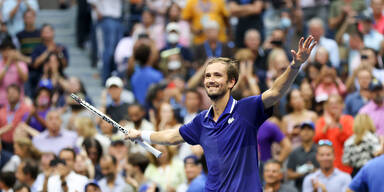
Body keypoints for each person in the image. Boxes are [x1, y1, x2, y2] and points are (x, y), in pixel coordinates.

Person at [126, 36, 317, 191]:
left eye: (217, 75)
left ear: (231, 82)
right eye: (208, 76)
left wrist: (294, 66)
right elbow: (171, 136)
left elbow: (275, 92)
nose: (211, 80)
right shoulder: (201, 121)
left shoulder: (246, 109)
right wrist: (140, 135)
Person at [314, 94, 354, 174]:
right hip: (326, 163)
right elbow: (316, 139)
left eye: (336, 103)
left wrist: (339, 125)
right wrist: (326, 126)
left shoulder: (348, 119)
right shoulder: (321, 121)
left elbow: (350, 140)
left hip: (345, 164)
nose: (334, 105)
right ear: (326, 106)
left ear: (342, 105)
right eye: (331, 103)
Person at [287, 122, 319, 191]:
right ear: (300, 133)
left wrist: (314, 170)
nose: (306, 132)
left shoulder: (319, 151)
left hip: (318, 187)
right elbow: (289, 175)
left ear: (314, 132)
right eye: (303, 129)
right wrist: (302, 171)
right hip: (299, 188)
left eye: (309, 129)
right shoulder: (294, 152)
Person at [0, 84, 29, 152]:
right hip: (3, 145)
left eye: (13, 92)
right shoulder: (1, 111)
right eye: (9, 93)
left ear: (19, 95)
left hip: (20, 145)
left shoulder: (26, 109)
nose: (11, 95)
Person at [0, 38, 29, 107]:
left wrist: (15, 62)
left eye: (9, 49)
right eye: (4, 50)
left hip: (18, 101)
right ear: (1, 52)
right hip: (2, 101)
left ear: (14, 51)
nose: (7, 52)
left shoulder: (21, 64)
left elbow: (25, 79)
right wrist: (8, 64)